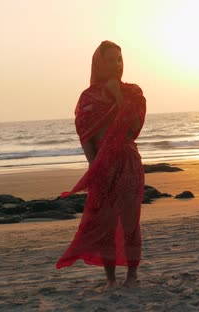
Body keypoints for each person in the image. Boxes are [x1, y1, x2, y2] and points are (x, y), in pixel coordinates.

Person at [56, 40, 147, 290]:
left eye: (120, 59)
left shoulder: (133, 93)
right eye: (111, 59)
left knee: (130, 221)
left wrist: (118, 96)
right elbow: (85, 136)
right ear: (99, 63)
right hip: (102, 167)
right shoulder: (88, 98)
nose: (117, 64)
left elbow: (133, 129)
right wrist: (95, 166)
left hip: (128, 164)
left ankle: (132, 276)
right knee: (104, 222)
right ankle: (110, 279)